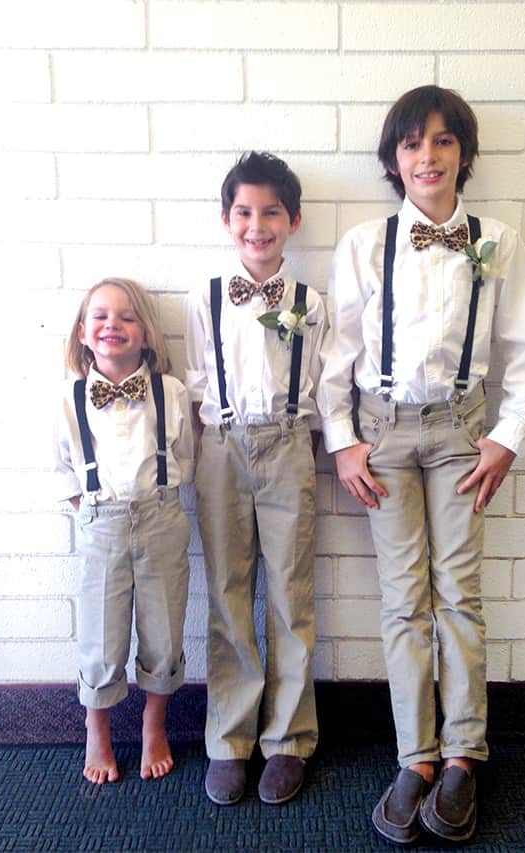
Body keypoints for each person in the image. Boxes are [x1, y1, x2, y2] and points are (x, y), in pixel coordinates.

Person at [317, 86, 525, 844]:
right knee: (402, 599)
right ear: (394, 158)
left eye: (444, 140)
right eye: (413, 142)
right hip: (381, 434)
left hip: (460, 431)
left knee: (459, 592)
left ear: (464, 153)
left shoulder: (497, 242)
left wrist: (507, 436)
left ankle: (462, 755)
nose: (428, 156)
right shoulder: (364, 244)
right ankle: (414, 756)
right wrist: (342, 438)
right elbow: (337, 352)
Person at [185, 151, 326, 806]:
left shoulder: (310, 304)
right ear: (226, 219)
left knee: (291, 593)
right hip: (222, 447)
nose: (257, 225)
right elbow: (197, 383)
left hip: (289, 444)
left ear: (293, 220)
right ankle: (229, 738)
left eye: (272, 212)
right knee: (227, 592)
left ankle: (289, 737)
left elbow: (317, 379)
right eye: (244, 211)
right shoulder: (205, 297)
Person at [53, 278, 194, 785]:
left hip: (161, 519)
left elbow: (185, 460)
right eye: (100, 317)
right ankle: (97, 728)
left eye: (127, 316)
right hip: (101, 525)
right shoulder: (69, 398)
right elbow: (64, 471)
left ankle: (154, 725)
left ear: (147, 333)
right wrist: (94, 511)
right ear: (82, 334)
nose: (112, 325)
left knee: (164, 632)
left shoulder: (171, 393)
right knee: (101, 637)